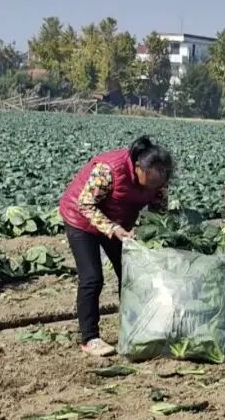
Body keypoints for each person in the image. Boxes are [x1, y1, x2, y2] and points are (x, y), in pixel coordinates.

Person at [59, 136, 174, 357]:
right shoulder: (108, 169)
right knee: (92, 278)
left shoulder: (159, 179)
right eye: (150, 182)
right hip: (81, 220)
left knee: (131, 275)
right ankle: (90, 338)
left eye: (158, 184)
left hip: (120, 225)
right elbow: (84, 203)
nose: (154, 187)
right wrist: (111, 228)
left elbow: (159, 213)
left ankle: (133, 326)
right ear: (138, 168)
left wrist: (150, 233)